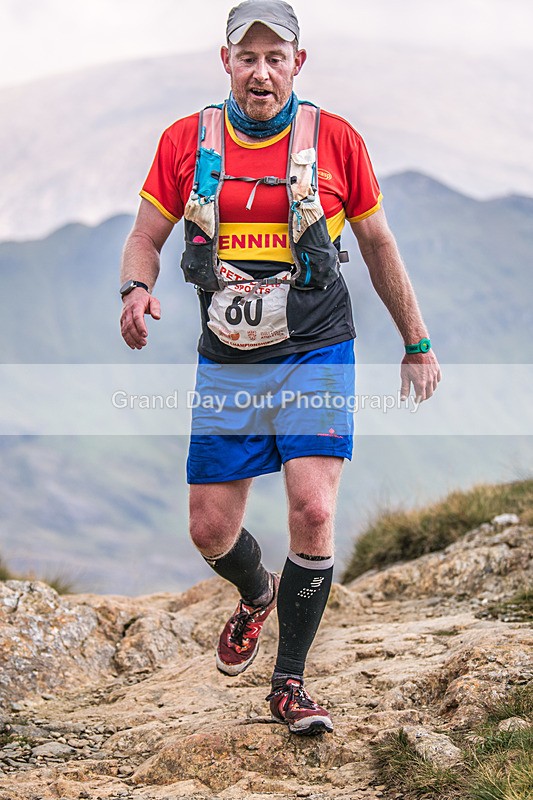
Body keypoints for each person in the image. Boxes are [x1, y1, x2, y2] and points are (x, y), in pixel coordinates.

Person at [120, 0, 441, 736]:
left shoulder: (337, 141)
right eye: (247, 57)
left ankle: (289, 684)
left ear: (298, 63)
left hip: (316, 348)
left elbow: (378, 245)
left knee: (314, 510)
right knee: (209, 530)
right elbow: (144, 236)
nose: (261, 72)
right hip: (229, 358)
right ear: (225, 62)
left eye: (275, 58)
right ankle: (257, 592)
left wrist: (416, 341)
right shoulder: (185, 141)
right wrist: (135, 289)